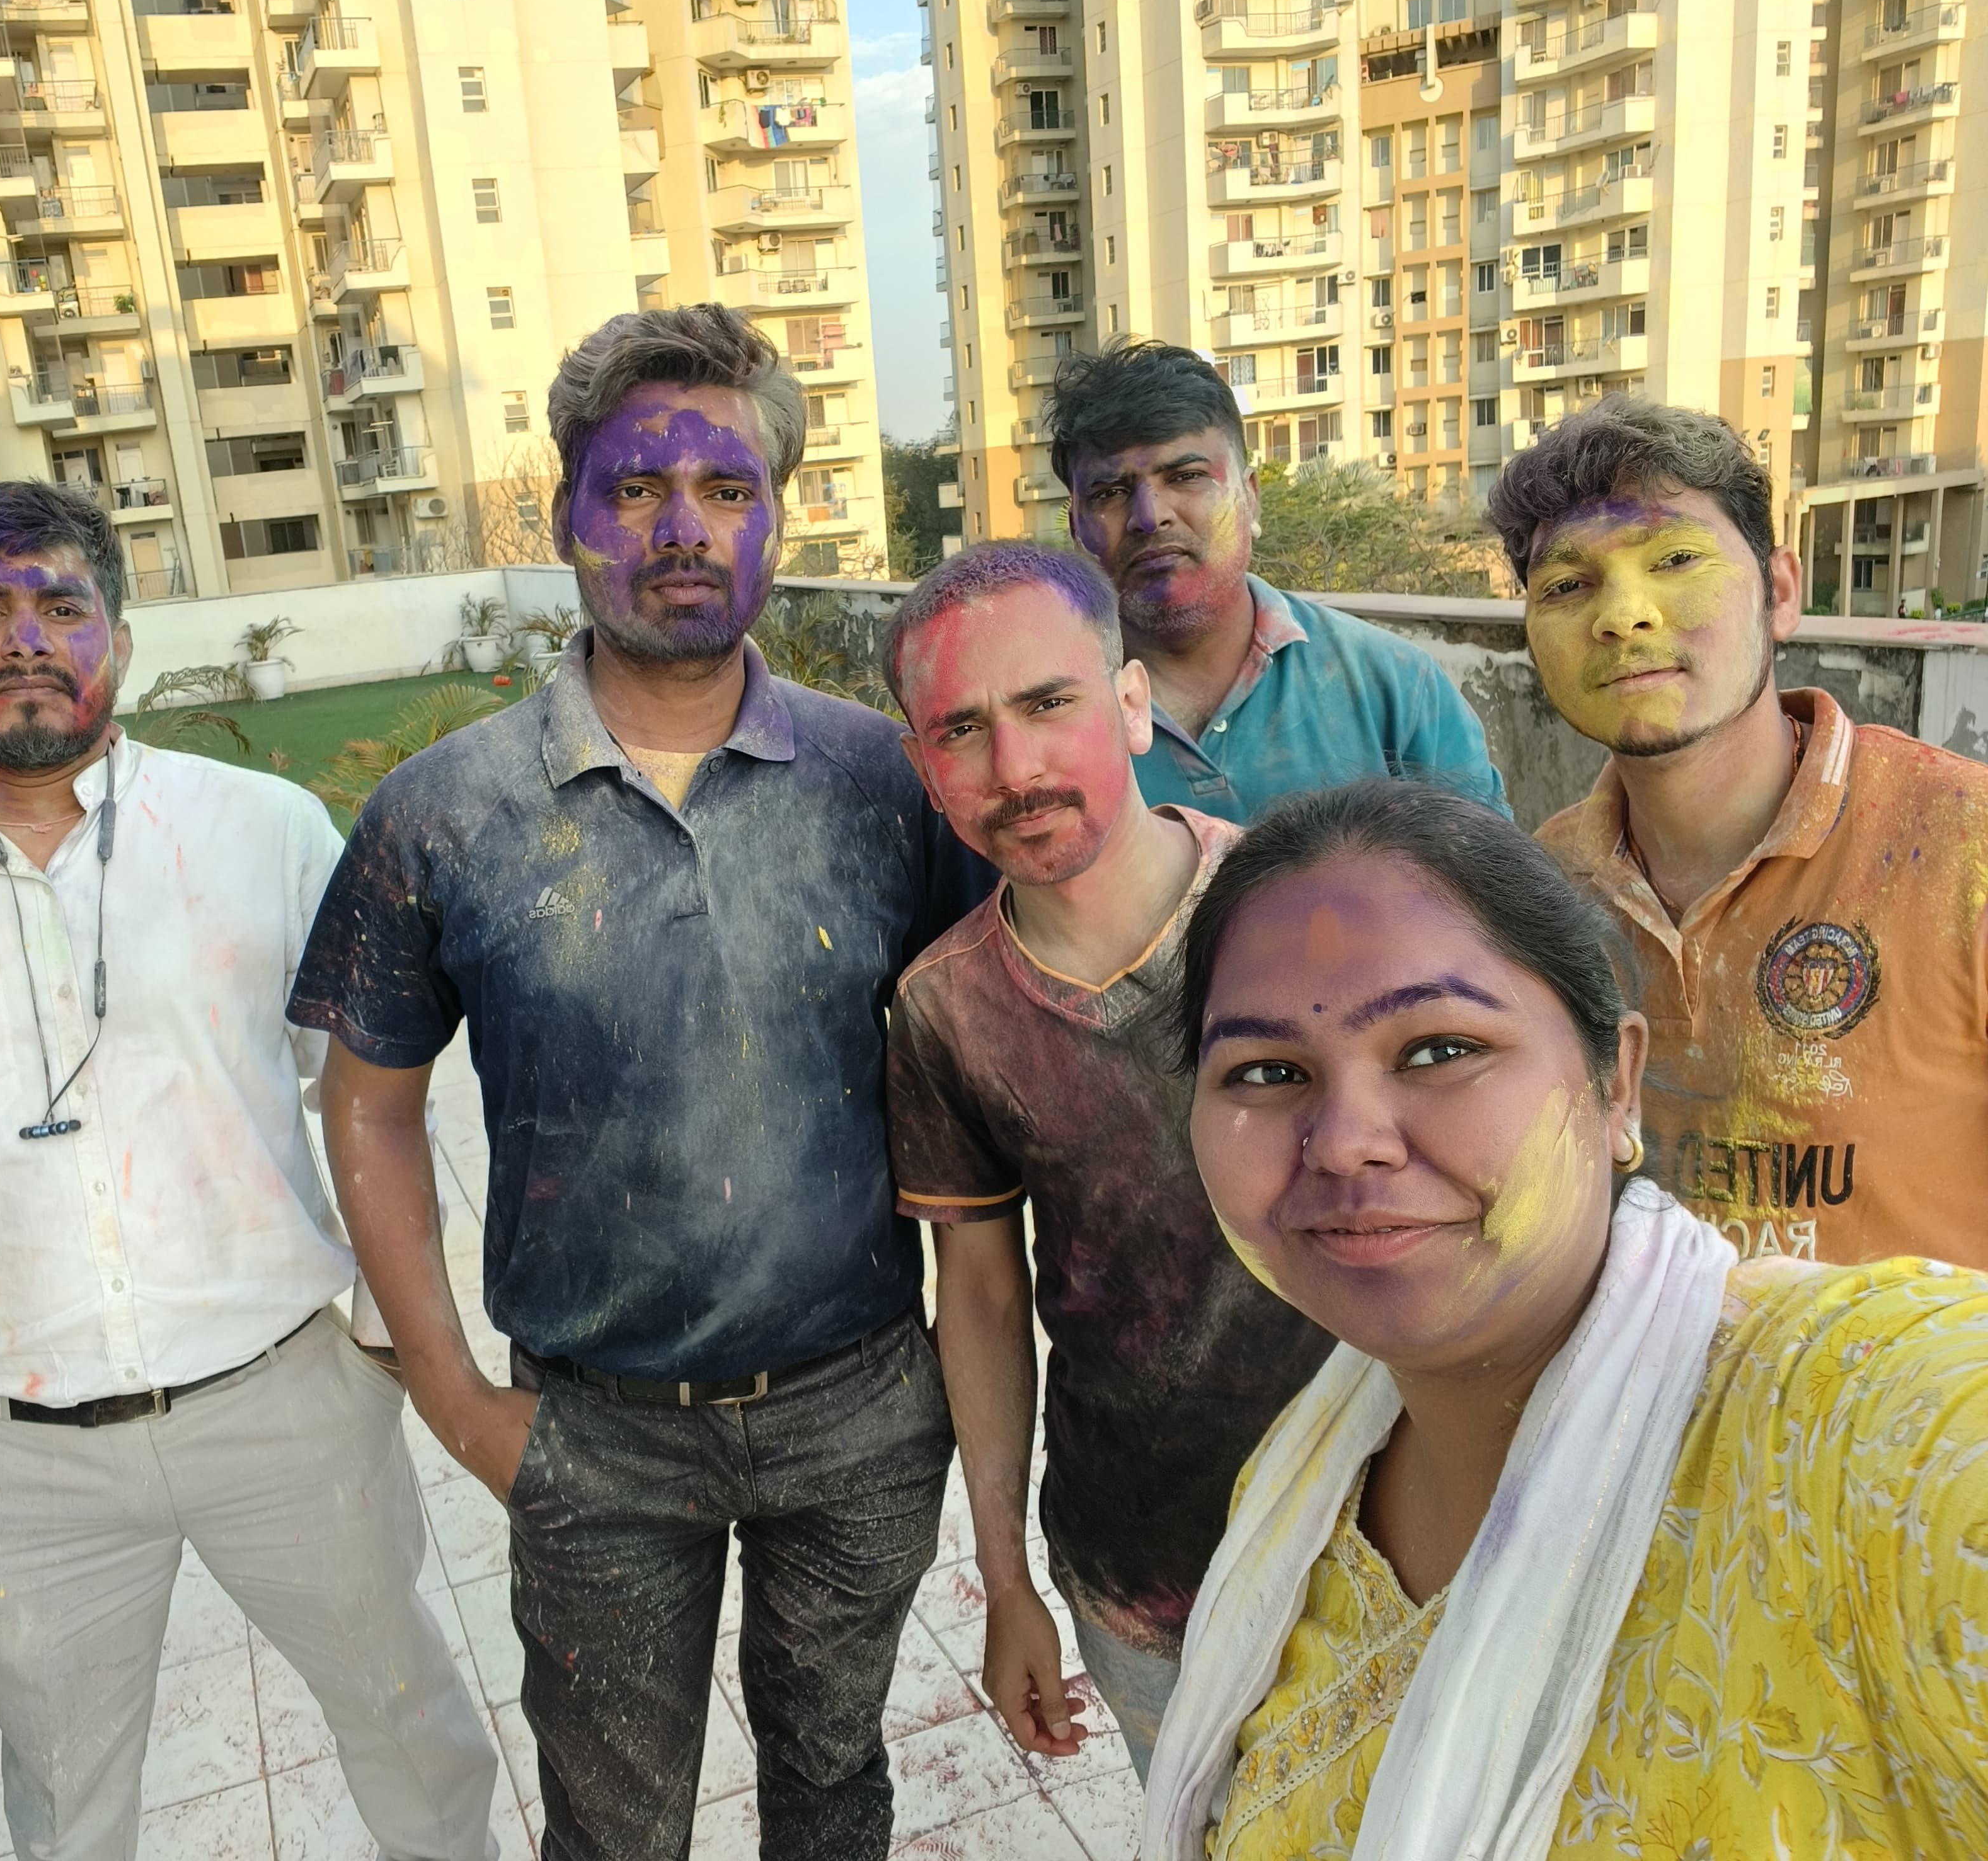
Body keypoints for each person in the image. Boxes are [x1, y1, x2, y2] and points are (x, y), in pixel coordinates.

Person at [289, 304, 987, 1861]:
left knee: (834, 1784)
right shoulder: (443, 812)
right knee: (612, 1828)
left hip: (860, 1410)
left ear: (778, 517)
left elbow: (987, 1054)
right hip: (593, 1431)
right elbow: (370, 1104)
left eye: (727, 489)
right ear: (566, 517)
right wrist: (454, 1396)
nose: (682, 528)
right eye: (636, 488)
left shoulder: (888, 784)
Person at [0, 481, 497, 1861]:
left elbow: (374, 1096)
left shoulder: (263, 833)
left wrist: (385, 1336)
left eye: (61, 604)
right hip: (14, 1459)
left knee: (410, 1728)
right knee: (65, 1804)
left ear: (121, 638)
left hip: (285, 1403)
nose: (23, 639)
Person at [1141, 780, 1988, 1860]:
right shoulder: (1296, 1484)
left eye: (1439, 1049)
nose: (1346, 1140)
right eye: (1267, 1072)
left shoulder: (1853, 1429)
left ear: (1615, 1082)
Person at [878, 542, 1331, 1776]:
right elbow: (978, 1294)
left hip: (1381, 1542)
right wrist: (1006, 1581)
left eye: (1047, 703)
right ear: (922, 767)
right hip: (1140, 1580)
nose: (1014, 767)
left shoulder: (1306, 915)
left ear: (1131, 705)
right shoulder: (946, 1009)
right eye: (961, 730)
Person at [1494, 396, 1988, 1266]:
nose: (1624, 616)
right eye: (1567, 586)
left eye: (1675, 559)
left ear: (1780, 593)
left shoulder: (1962, 846)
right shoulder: (1543, 890)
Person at [1046, 338, 1508, 820]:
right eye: (1110, 493)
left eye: (1186, 477)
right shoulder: (1038, 718)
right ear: (1077, 529)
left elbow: (1488, 867)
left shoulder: (1397, 688)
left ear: (1250, 498)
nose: (1150, 516)